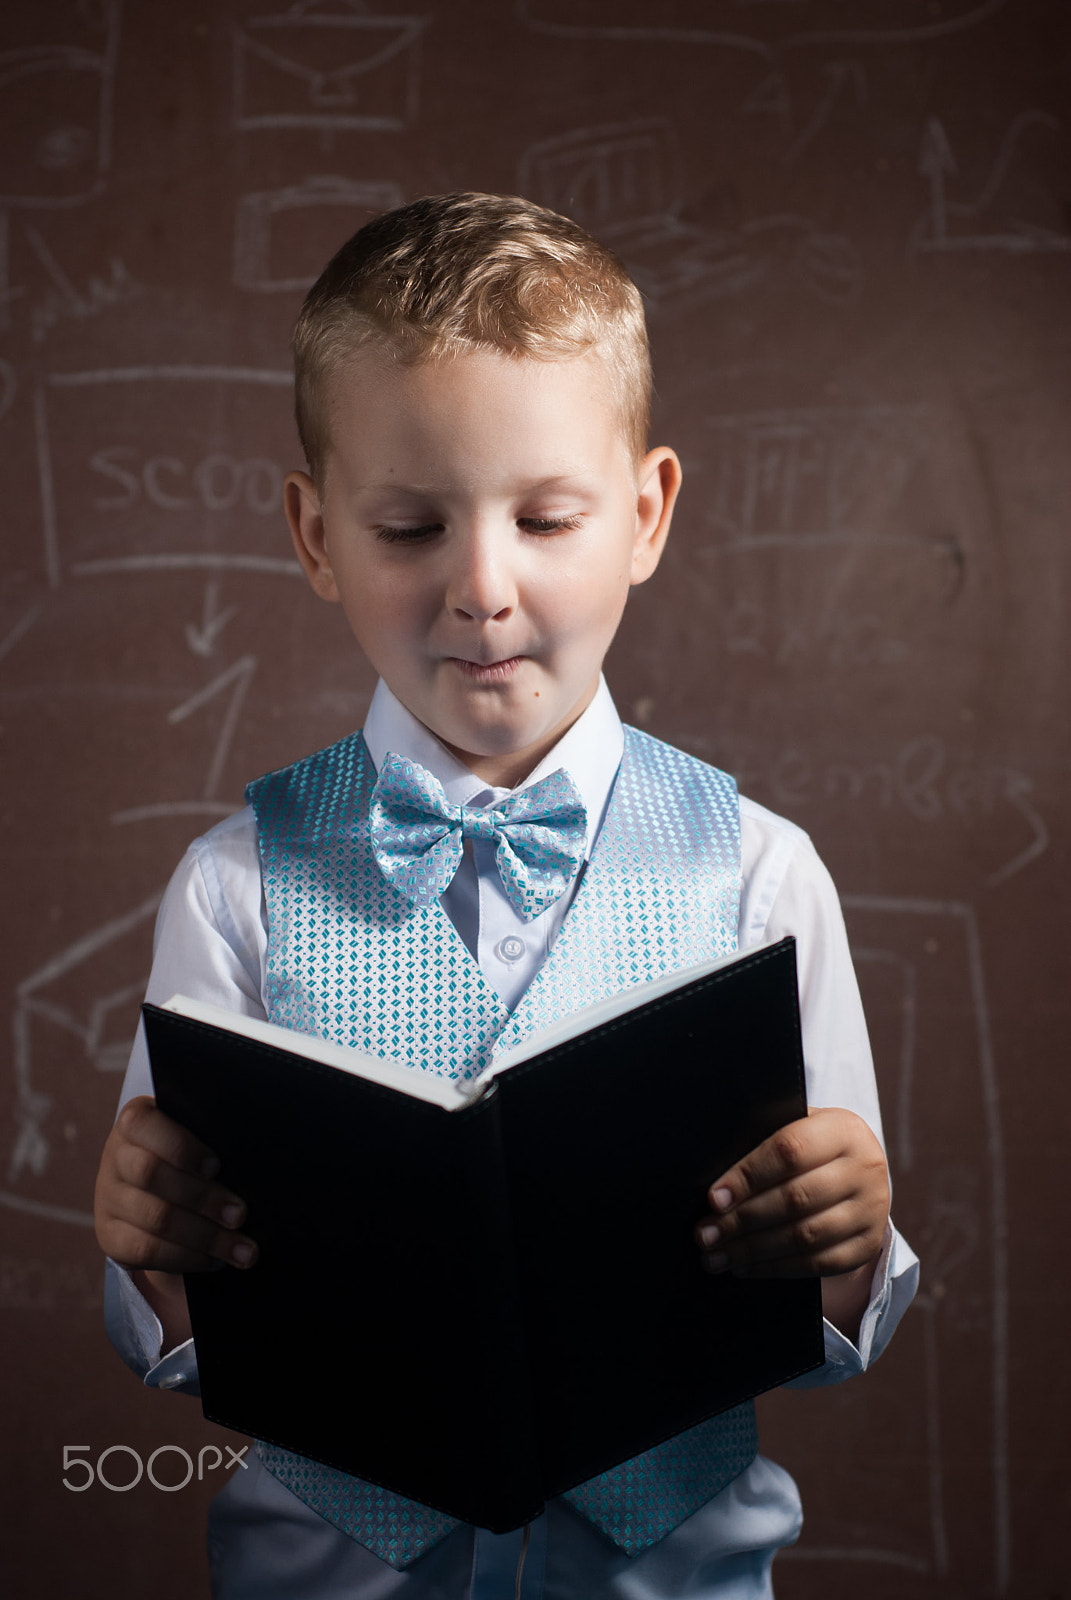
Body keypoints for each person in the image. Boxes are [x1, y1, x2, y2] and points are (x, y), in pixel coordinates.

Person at [94, 192, 919, 1599]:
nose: (483, 586)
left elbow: (843, 1310)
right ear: (314, 537)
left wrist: (848, 1236)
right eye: (411, 526)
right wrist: (146, 1241)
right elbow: (175, 1325)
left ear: (648, 514)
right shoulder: (233, 887)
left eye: (546, 517)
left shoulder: (761, 873)